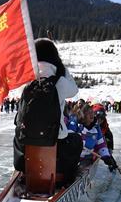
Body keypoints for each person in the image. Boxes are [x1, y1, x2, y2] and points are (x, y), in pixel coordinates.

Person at [13, 38, 81, 182]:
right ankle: (66, 177)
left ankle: (24, 169)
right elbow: (74, 90)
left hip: (26, 139)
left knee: (17, 138)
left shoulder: (27, 78)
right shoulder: (59, 81)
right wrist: (63, 69)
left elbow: (16, 90)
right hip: (56, 139)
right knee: (76, 140)